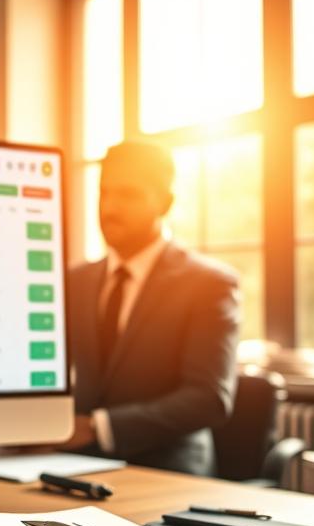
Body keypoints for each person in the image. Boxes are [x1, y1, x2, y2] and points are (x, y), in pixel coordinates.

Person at [60, 140, 241, 476]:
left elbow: (209, 399)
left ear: (165, 203)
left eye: (128, 194)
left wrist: (97, 427)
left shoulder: (210, 284)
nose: (110, 207)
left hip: (169, 472)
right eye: (105, 193)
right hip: (75, 466)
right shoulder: (75, 280)